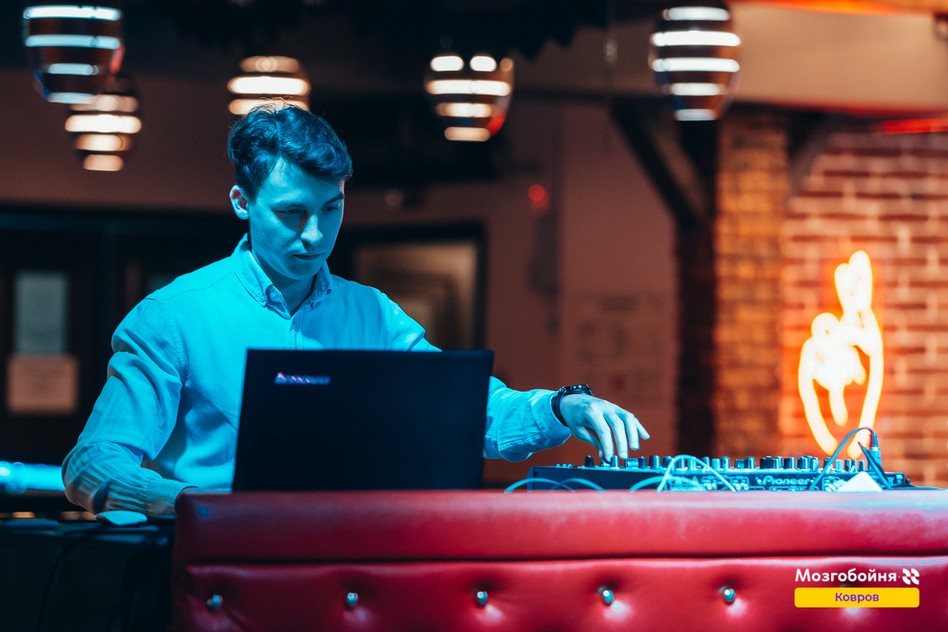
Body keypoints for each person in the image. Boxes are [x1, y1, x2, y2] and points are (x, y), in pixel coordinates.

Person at [62, 104, 649, 516]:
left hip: (351, 579)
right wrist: (194, 507)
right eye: (292, 213)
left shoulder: (373, 315)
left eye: (332, 209)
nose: (315, 235)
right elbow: (93, 462)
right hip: (221, 575)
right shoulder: (171, 318)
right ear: (242, 202)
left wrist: (563, 405)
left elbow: (468, 413)